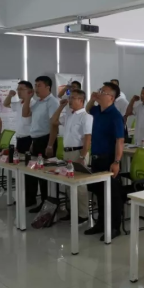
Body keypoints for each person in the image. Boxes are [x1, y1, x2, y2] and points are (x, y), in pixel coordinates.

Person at [84, 82, 125, 241]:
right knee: (99, 193)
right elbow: (87, 110)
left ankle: (115, 227)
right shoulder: (96, 110)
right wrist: (92, 99)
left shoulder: (115, 115)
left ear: (112, 98)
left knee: (112, 195)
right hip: (96, 158)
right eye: (100, 90)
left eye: (104, 92)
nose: (100, 93)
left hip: (109, 159)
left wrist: (117, 161)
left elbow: (120, 140)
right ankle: (101, 223)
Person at [48, 89, 93, 225]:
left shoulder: (86, 116)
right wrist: (61, 106)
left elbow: (88, 138)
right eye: (70, 98)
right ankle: (72, 211)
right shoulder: (69, 115)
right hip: (67, 152)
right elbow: (53, 121)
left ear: (81, 100)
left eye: (73, 98)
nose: (70, 100)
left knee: (80, 185)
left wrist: (82, 156)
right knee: (68, 183)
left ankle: (83, 215)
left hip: (78, 152)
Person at [22, 76, 61, 212]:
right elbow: (25, 114)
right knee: (37, 171)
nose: (36, 88)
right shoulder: (38, 102)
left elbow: (54, 125)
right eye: (35, 85)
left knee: (47, 174)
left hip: (47, 140)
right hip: (37, 140)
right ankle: (41, 201)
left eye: (39, 85)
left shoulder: (52, 102)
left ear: (48, 87)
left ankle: (49, 203)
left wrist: (50, 145)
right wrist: (28, 98)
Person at [3, 81, 36, 206]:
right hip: (20, 138)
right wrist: (10, 95)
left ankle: (31, 198)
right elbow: (6, 104)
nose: (19, 91)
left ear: (29, 91)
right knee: (21, 168)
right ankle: (24, 196)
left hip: (30, 139)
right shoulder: (18, 103)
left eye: (21, 89)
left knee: (29, 170)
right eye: (18, 89)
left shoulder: (34, 103)